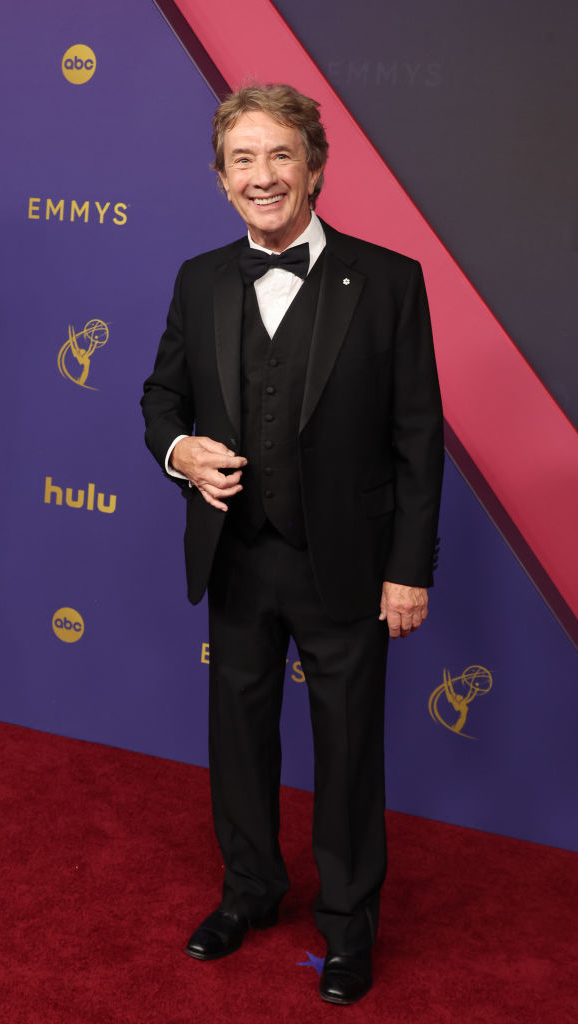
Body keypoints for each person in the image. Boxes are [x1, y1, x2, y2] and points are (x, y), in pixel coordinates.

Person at [141, 83, 443, 1006]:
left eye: (280, 155)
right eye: (243, 158)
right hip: (235, 553)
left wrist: (408, 570)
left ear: (314, 167)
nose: (261, 175)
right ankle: (249, 891)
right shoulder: (198, 277)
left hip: (347, 562)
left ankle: (348, 925)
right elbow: (162, 398)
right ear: (220, 177)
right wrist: (180, 451)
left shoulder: (389, 279)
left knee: (347, 749)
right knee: (236, 737)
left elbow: (417, 438)